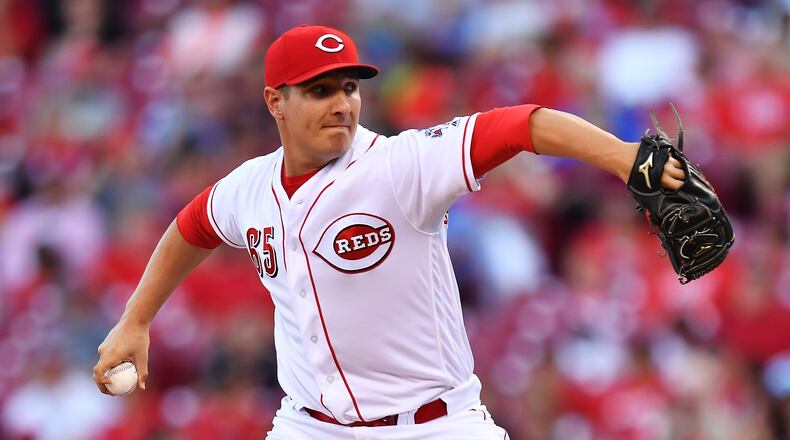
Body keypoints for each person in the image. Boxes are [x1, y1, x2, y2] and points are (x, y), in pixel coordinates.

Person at [94, 24, 686, 439]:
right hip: (310, 426)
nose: (342, 104)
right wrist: (137, 318)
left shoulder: (400, 166)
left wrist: (619, 155)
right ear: (276, 100)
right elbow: (191, 227)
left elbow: (521, 125)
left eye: (349, 88)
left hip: (434, 425)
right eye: (320, 90)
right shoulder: (250, 187)